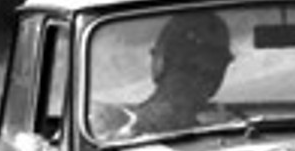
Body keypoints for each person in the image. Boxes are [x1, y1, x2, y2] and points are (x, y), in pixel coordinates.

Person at [95, 12, 235, 138]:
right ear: (161, 64)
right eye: (186, 68)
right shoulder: (108, 125)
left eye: (210, 73)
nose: (197, 82)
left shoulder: (223, 139)